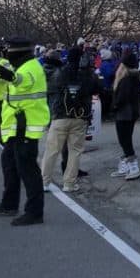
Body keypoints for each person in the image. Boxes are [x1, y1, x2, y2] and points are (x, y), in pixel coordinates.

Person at [0, 37, 49, 226]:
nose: (6, 52)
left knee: (28, 170)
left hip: (27, 128)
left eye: (9, 50)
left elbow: (23, 82)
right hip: (16, 127)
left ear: (19, 51)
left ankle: (34, 212)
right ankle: (9, 203)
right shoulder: (21, 66)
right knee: (10, 165)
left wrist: (12, 77)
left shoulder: (31, 67)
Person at [41, 46, 99, 193]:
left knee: (52, 150)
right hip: (80, 116)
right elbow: (98, 89)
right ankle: (69, 183)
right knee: (75, 151)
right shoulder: (88, 74)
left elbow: (50, 88)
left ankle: (44, 181)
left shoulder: (60, 73)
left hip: (60, 114)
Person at [109, 52, 140, 180]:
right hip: (130, 112)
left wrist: (115, 106)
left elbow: (123, 97)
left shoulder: (126, 79)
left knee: (124, 139)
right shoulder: (134, 77)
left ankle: (133, 166)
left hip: (125, 112)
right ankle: (126, 165)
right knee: (125, 138)